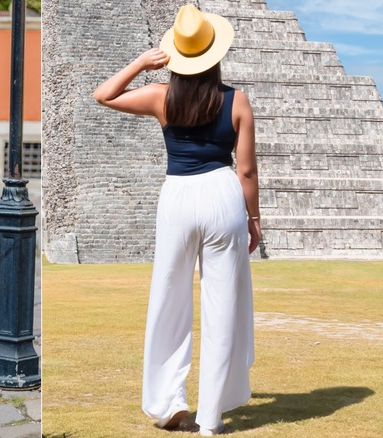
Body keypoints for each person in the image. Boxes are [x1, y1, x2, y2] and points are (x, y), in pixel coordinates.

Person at [93, 5, 259, 436]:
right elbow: (246, 171)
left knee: (169, 297)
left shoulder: (160, 96)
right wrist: (253, 218)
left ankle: (169, 403)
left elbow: (103, 94)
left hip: (178, 195)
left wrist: (141, 62)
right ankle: (212, 415)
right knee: (223, 304)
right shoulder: (236, 100)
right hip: (223, 193)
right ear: (214, 55)